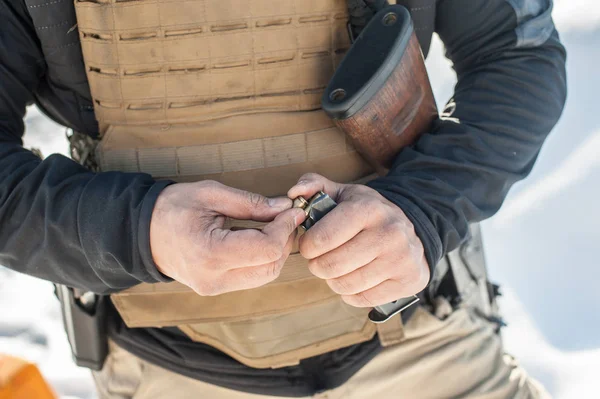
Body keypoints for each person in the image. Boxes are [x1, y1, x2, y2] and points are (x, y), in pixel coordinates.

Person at [0, 0, 566, 397]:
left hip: (426, 349)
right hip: (166, 372)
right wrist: (140, 230)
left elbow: (517, 54)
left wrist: (421, 209)